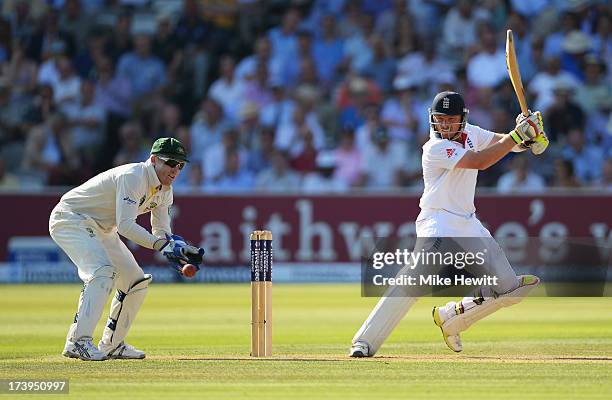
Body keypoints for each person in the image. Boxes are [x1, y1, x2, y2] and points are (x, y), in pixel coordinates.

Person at [349, 91, 548, 357]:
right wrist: (518, 135)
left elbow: (503, 143)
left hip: (468, 223)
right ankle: (364, 341)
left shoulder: (472, 133)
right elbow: (481, 161)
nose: (444, 125)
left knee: (510, 289)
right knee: (413, 279)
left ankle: (452, 317)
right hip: (438, 221)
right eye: (440, 119)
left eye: (450, 119)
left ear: (462, 119)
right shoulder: (435, 148)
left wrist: (525, 133)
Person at [49, 137, 204, 361]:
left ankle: (112, 344)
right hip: (71, 218)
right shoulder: (134, 177)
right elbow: (126, 226)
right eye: (171, 163)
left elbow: (161, 231)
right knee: (102, 271)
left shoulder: (165, 191)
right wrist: (162, 245)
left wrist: (177, 249)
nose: (176, 170)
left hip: (102, 228)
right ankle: (77, 342)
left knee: (136, 282)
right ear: (153, 160)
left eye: (181, 165)